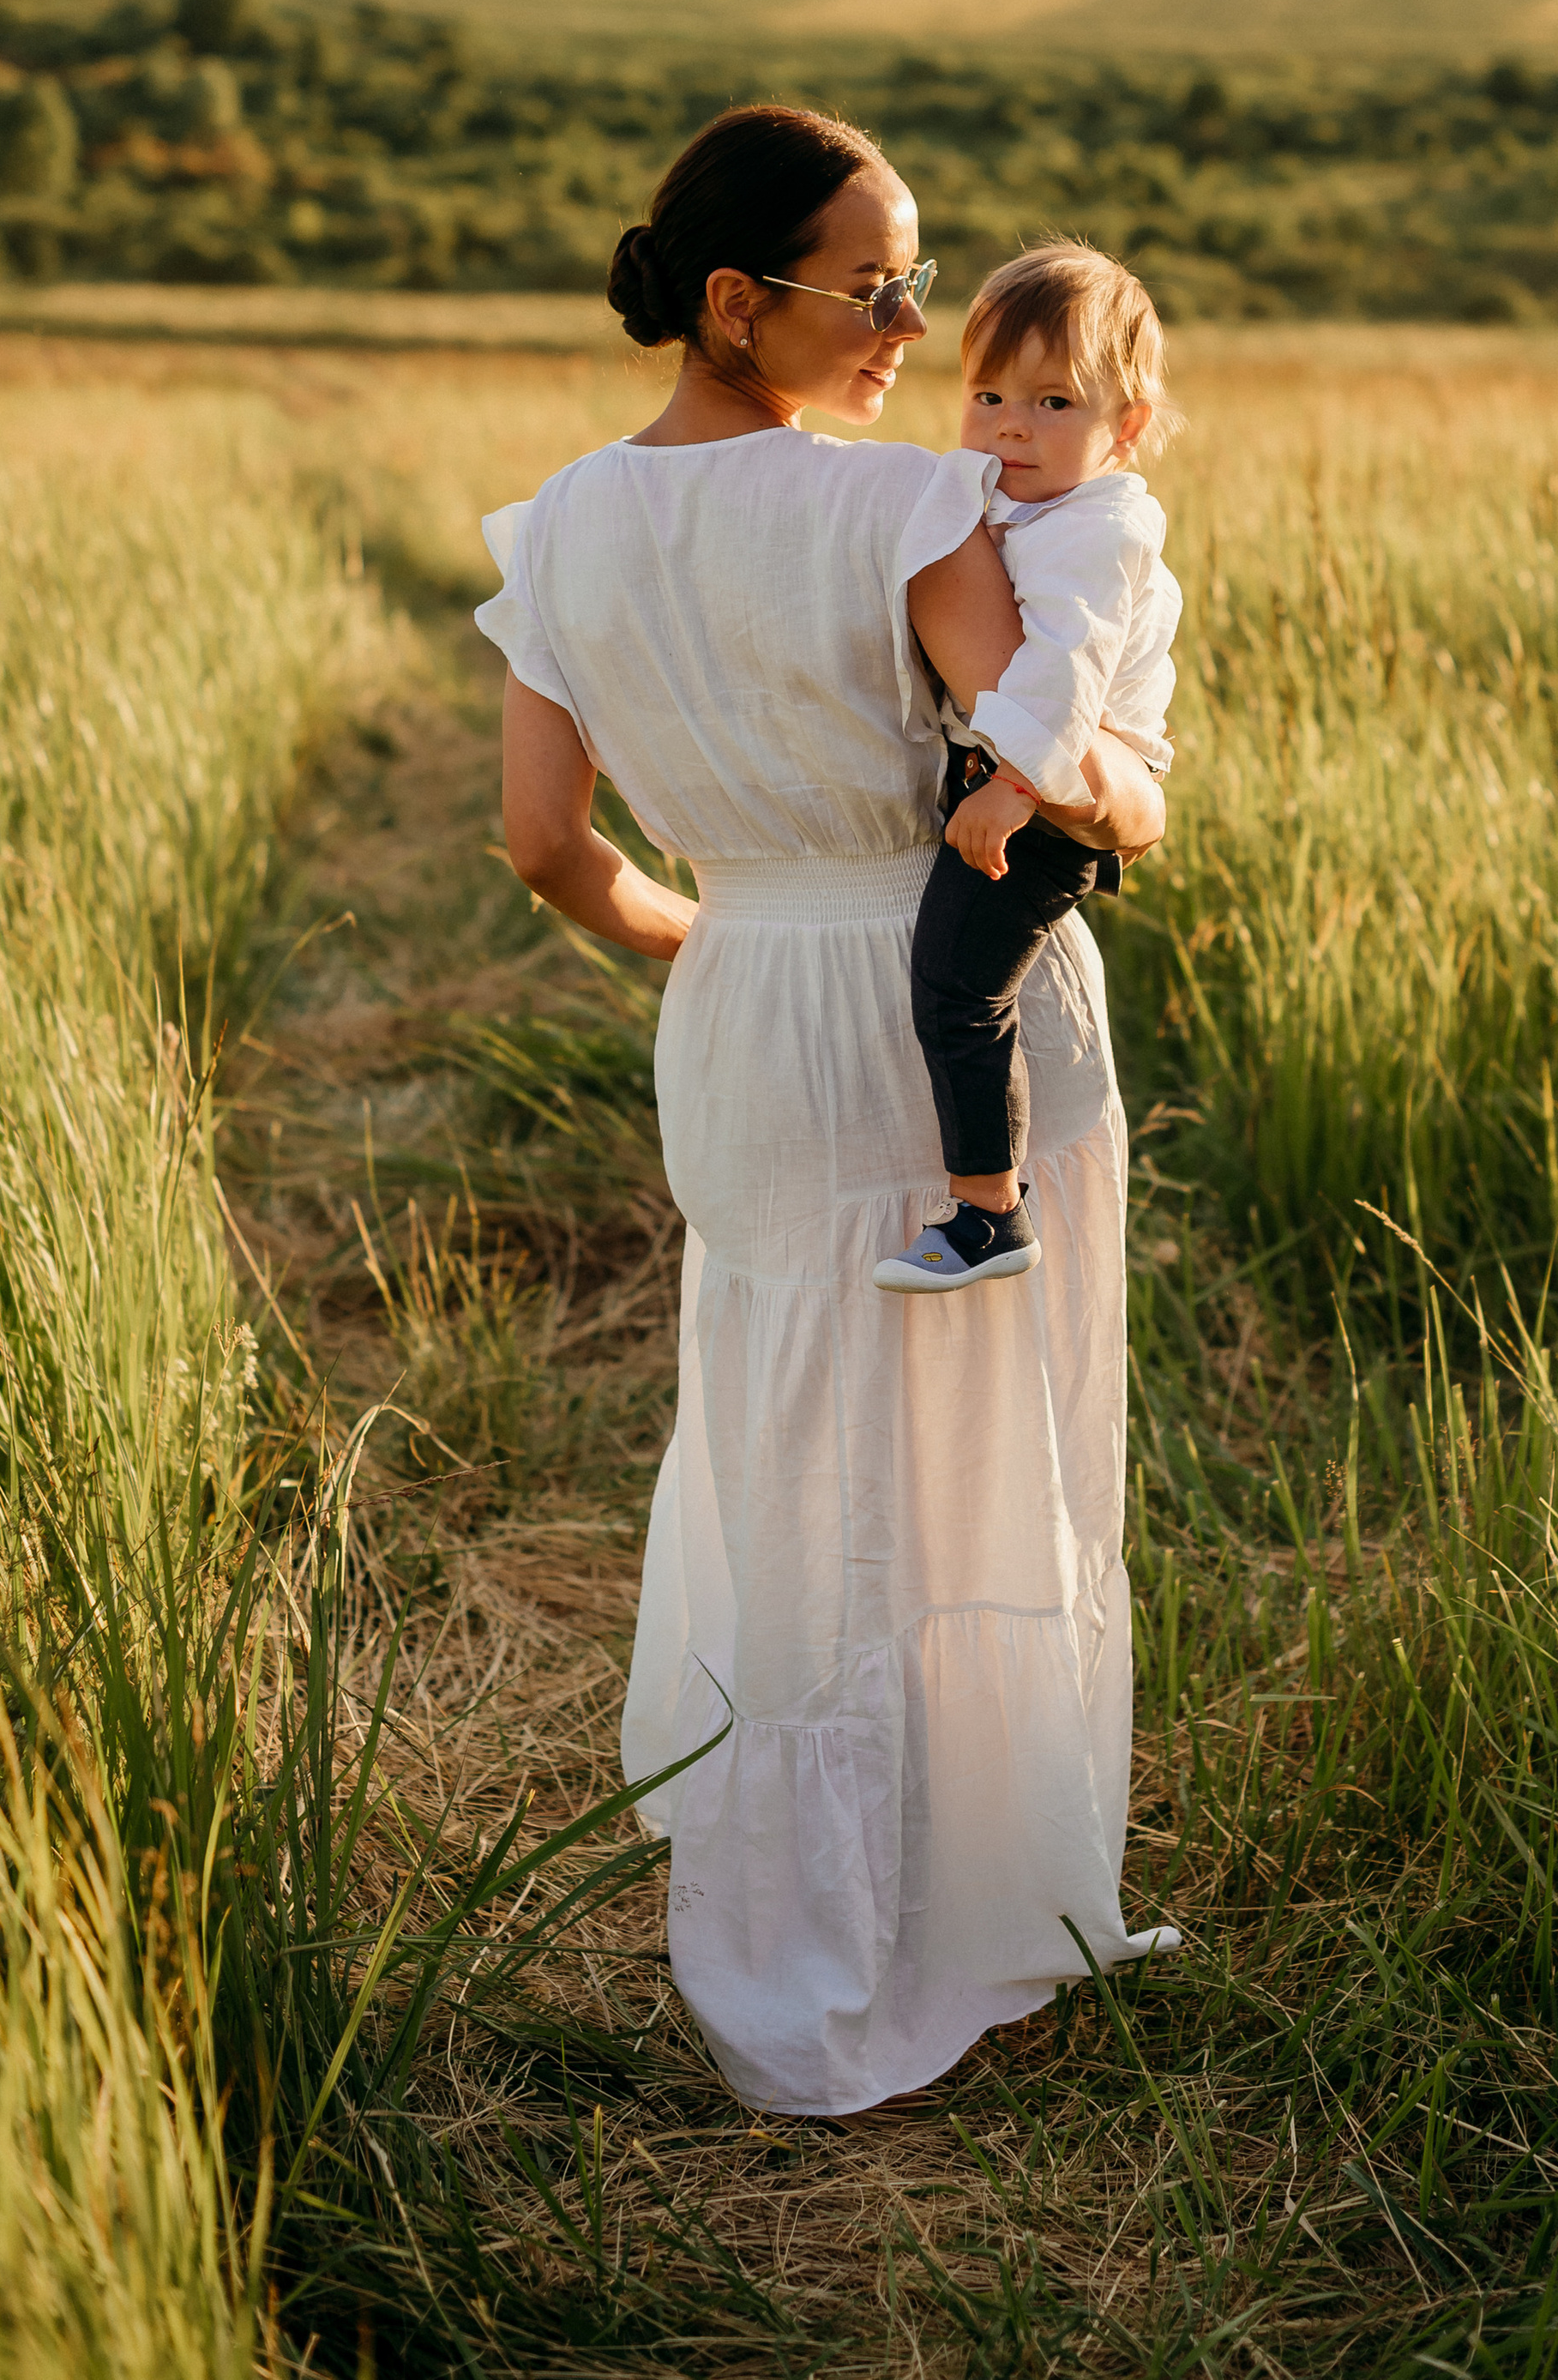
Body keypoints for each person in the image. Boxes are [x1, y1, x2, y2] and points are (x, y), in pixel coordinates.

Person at [474, 104, 1176, 2118]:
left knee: (788, 1453)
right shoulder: (902, 512)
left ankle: (783, 1941)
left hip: (751, 1003)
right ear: (733, 298)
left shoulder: (558, 529)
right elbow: (1051, 766)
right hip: (943, 987)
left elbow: (540, 842)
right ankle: (966, 1907)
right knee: (969, 1447)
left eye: (918, 281)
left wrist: (723, 933)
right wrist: (1140, 794)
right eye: (873, 284)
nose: (906, 320)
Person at [874, 243, 1182, 1295]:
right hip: (1015, 771)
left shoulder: (1099, 527)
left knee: (958, 987)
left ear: (1126, 428)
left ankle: (987, 1214)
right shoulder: (1018, 499)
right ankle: (986, 1202)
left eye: (1054, 401)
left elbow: (1065, 670)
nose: (1011, 424)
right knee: (956, 977)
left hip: (1049, 795)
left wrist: (1012, 790)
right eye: (989, 393)